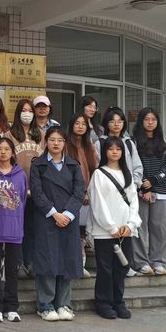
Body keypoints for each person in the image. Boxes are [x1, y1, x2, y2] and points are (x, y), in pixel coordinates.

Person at [30, 127, 84, 322]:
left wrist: (67, 214)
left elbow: (79, 192)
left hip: (69, 219)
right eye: (52, 139)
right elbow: (37, 192)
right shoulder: (38, 165)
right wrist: (54, 214)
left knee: (66, 260)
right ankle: (45, 305)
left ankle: (63, 304)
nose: (56, 143)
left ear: (64, 143)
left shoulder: (73, 165)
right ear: (46, 141)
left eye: (60, 140)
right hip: (47, 218)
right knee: (48, 261)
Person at [87, 136, 141, 320]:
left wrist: (130, 224)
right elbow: (98, 204)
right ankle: (103, 303)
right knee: (105, 268)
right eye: (111, 149)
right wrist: (111, 227)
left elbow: (133, 202)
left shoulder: (127, 175)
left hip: (126, 231)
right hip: (105, 232)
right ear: (105, 152)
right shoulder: (99, 174)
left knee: (122, 268)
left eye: (118, 149)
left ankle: (118, 302)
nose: (115, 152)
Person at [94, 106, 143, 276]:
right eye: (112, 121)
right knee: (106, 266)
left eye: (120, 121)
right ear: (106, 123)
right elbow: (96, 167)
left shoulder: (129, 143)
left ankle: (127, 266)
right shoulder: (99, 143)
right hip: (106, 193)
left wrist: (133, 185)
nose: (116, 124)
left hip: (126, 195)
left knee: (126, 237)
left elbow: (137, 166)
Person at [0, 138, 27, 323]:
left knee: (12, 270)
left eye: (7, 149)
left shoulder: (20, 175)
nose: (3, 152)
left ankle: (11, 307)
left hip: (14, 228)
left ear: (12, 152)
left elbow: (22, 200)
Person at [132, 107, 166, 275]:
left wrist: (154, 182)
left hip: (160, 191)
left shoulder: (165, 145)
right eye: (146, 119)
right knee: (140, 227)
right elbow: (135, 165)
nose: (150, 122)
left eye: (153, 119)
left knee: (160, 228)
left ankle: (158, 261)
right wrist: (144, 187)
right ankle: (141, 262)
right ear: (141, 121)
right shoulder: (134, 143)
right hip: (140, 192)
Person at [7, 99, 43, 278]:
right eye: (24, 110)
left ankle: (31, 262)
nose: (27, 114)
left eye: (30, 110)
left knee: (33, 227)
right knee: (17, 227)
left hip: (37, 189)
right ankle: (18, 263)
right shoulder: (9, 134)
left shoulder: (41, 134)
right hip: (16, 189)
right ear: (18, 113)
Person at [65, 112, 99, 277]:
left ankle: (81, 264)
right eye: (77, 123)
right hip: (70, 195)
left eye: (83, 124)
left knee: (83, 232)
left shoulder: (90, 147)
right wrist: (79, 193)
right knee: (73, 232)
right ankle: (76, 264)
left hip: (88, 195)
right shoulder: (65, 146)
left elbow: (96, 171)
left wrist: (89, 192)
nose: (80, 126)